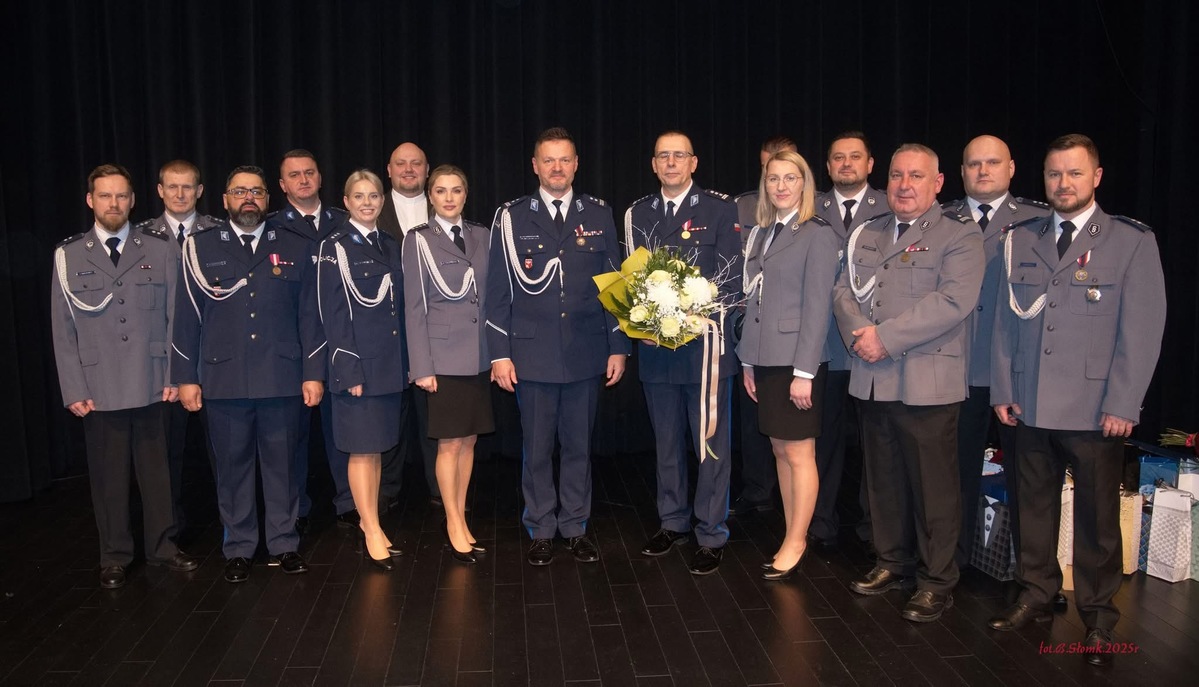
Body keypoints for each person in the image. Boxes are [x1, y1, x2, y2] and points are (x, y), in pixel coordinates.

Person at [988, 134, 1165, 667]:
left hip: (1094, 411)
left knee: (1096, 519)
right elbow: (1002, 322)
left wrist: (1124, 403)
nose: (1062, 184)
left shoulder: (1130, 241)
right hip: (1030, 402)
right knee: (1031, 507)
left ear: (1097, 177)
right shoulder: (1020, 238)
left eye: (1073, 174)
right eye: (1053, 174)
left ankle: (1098, 615)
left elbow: (1142, 331)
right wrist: (1003, 387)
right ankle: (1037, 591)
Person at [832, 144, 983, 622]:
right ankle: (891, 561)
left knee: (934, 488)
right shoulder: (867, 232)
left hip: (926, 383)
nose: (904, 184)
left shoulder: (959, 236)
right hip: (873, 379)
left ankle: (937, 580)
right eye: (897, 175)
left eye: (916, 176)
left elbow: (952, 302)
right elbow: (842, 289)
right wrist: (860, 334)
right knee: (883, 481)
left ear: (938, 183)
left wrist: (885, 338)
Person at [50, 164, 200, 589]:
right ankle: (114, 554)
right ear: (90, 200)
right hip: (99, 388)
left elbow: (175, 317)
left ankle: (163, 547)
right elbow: (63, 329)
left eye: (120, 197)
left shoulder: (159, 248)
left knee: (159, 474)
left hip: (154, 380)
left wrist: (177, 372)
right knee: (108, 478)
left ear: (133, 201)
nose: (113, 204)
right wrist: (73, 387)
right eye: (104, 196)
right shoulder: (69, 255)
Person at [172, 165, 324, 583]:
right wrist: (187, 376)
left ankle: (284, 543)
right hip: (225, 379)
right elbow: (187, 317)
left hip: (282, 376)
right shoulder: (200, 247)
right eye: (239, 191)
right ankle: (238, 547)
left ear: (267, 198)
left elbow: (309, 316)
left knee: (283, 467)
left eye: (256, 192)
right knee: (233, 468)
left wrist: (314, 372)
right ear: (224, 199)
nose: (249, 199)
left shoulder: (294, 244)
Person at [485, 127, 628, 566]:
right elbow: (497, 290)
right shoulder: (511, 216)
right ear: (534, 165)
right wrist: (499, 352)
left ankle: (575, 526)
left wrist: (618, 345)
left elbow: (613, 284)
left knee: (579, 445)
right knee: (538, 446)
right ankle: (541, 526)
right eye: (548, 160)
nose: (557, 168)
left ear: (577, 163)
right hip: (531, 354)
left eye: (564, 160)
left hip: (586, 352)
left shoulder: (599, 213)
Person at [625, 130, 741, 576]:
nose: (671, 163)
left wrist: (694, 319)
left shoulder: (719, 208)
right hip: (657, 351)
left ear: (693, 163)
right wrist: (642, 325)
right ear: (653, 165)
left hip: (705, 350)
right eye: (663, 156)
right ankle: (672, 522)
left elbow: (732, 280)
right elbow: (631, 279)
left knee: (710, 445)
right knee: (667, 442)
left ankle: (711, 532)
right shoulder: (638, 213)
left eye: (679, 156)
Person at [941, 135, 1049, 572]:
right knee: (954, 475)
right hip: (957, 369)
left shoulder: (1038, 221)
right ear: (962, 171)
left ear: (1011, 168)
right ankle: (956, 563)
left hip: (1015, 373)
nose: (982, 171)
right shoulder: (940, 220)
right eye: (973, 164)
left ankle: (1033, 576)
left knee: (1030, 480)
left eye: (992, 163)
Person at [738, 151, 840, 580]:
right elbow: (753, 300)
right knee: (780, 449)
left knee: (800, 453)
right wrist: (747, 360)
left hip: (796, 362)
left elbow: (818, 309)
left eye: (790, 178)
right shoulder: (763, 232)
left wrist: (805, 372)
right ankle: (789, 530)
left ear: (805, 183)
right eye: (773, 179)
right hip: (765, 358)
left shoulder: (817, 233)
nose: (781, 186)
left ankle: (797, 540)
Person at [315, 170, 407, 570]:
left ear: (381, 201)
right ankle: (369, 528)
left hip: (388, 365)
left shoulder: (390, 244)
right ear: (346, 201)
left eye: (373, 196)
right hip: (357, 367)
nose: (367, 202)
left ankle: (375, 524)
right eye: (359, 196)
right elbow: (330, 314)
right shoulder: (333, 246)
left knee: (377, 450)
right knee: (361, 450)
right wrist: (346, 368)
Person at [403, 165, 493, 564]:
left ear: (466, 193)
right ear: (430, 196)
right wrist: (421, 365)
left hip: (478, 354)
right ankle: (452, 521)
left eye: (456, 190)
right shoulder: (419, 240)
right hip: (442, 357)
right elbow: (414, 307)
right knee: (449, 443)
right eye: (441, 191)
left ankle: (460, 513)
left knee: (470, 439)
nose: (450, 198)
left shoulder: (482, 235)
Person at [810, 131, 889, 552]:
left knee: (876, 448)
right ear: (827, 166)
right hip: (823, 345)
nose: (846, 164)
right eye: (837, 158)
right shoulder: (810, 206)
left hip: (872, 345)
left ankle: (874, 530)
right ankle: (820, 523)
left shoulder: (891, 205)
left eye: (854, 157)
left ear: (870, 164)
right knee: (823, 441)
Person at [269, 149, 355, 534]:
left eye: (310, 173)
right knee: (291, 436)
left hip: (339, 341)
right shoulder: (271, 229)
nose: (303, 180)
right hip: (291, 347)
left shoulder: (345, 221)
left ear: (320, 178)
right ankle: (296, 508)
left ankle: (350, 503)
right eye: (294, 175)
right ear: (283, 184)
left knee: (344, 430)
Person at [142, 159, 221, 539]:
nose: (179, 194)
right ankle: (169, 536)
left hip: (215, 361)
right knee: (164, 458)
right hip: (161, 365)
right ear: (159, 190)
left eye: (187, 187)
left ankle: (233, 530)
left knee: (224, 455)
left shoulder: (221, 233)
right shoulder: (139, 237)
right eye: (171, 186)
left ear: (200, 191)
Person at [729, 135, 797, 517]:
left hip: (793, 337)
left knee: (796, 439)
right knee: (755, 419)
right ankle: (757, 491)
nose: (776, 180)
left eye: (785, 169)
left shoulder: (812, 214)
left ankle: (802, 510)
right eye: (768, 169)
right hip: (750, 330)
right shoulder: (742, 208)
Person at [379, 142, 439, 512]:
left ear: (427, 169)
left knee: (435, 417)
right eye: (400, 163)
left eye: (416, 163)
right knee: (388, 419)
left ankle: (441, 491)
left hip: (434, 336)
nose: (408, 169)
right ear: (389, 170)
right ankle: (385, 494)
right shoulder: (371, 208)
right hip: (384, 336)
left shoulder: (445, 208)